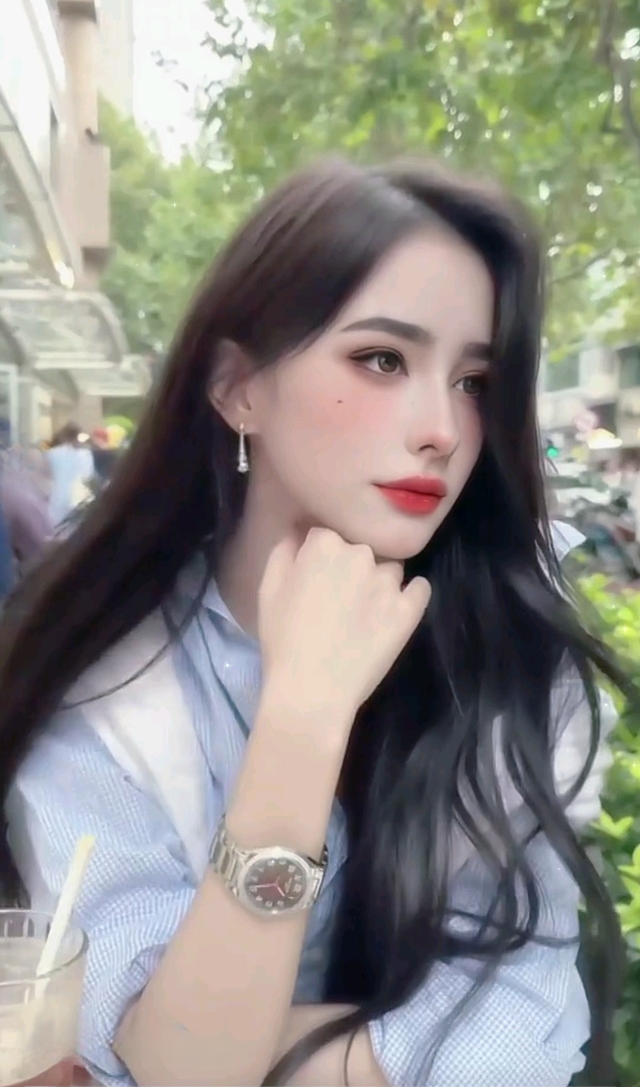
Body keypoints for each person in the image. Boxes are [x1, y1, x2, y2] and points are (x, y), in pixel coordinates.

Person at [0, 158, 633, 1087]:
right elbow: (180, 1070)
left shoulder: (516, 661)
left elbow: (515, 1034)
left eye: (473, 381)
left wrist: (219, 1037)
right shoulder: (105, 667)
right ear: (238, 388)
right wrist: (301, 722)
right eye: (382, 360)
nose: (443, 429)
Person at [46, 422, 95, 528]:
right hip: (80, 500)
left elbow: (46, 476)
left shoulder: (51, 454)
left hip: (56, 501)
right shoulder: (86, 455)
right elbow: (88, 477)